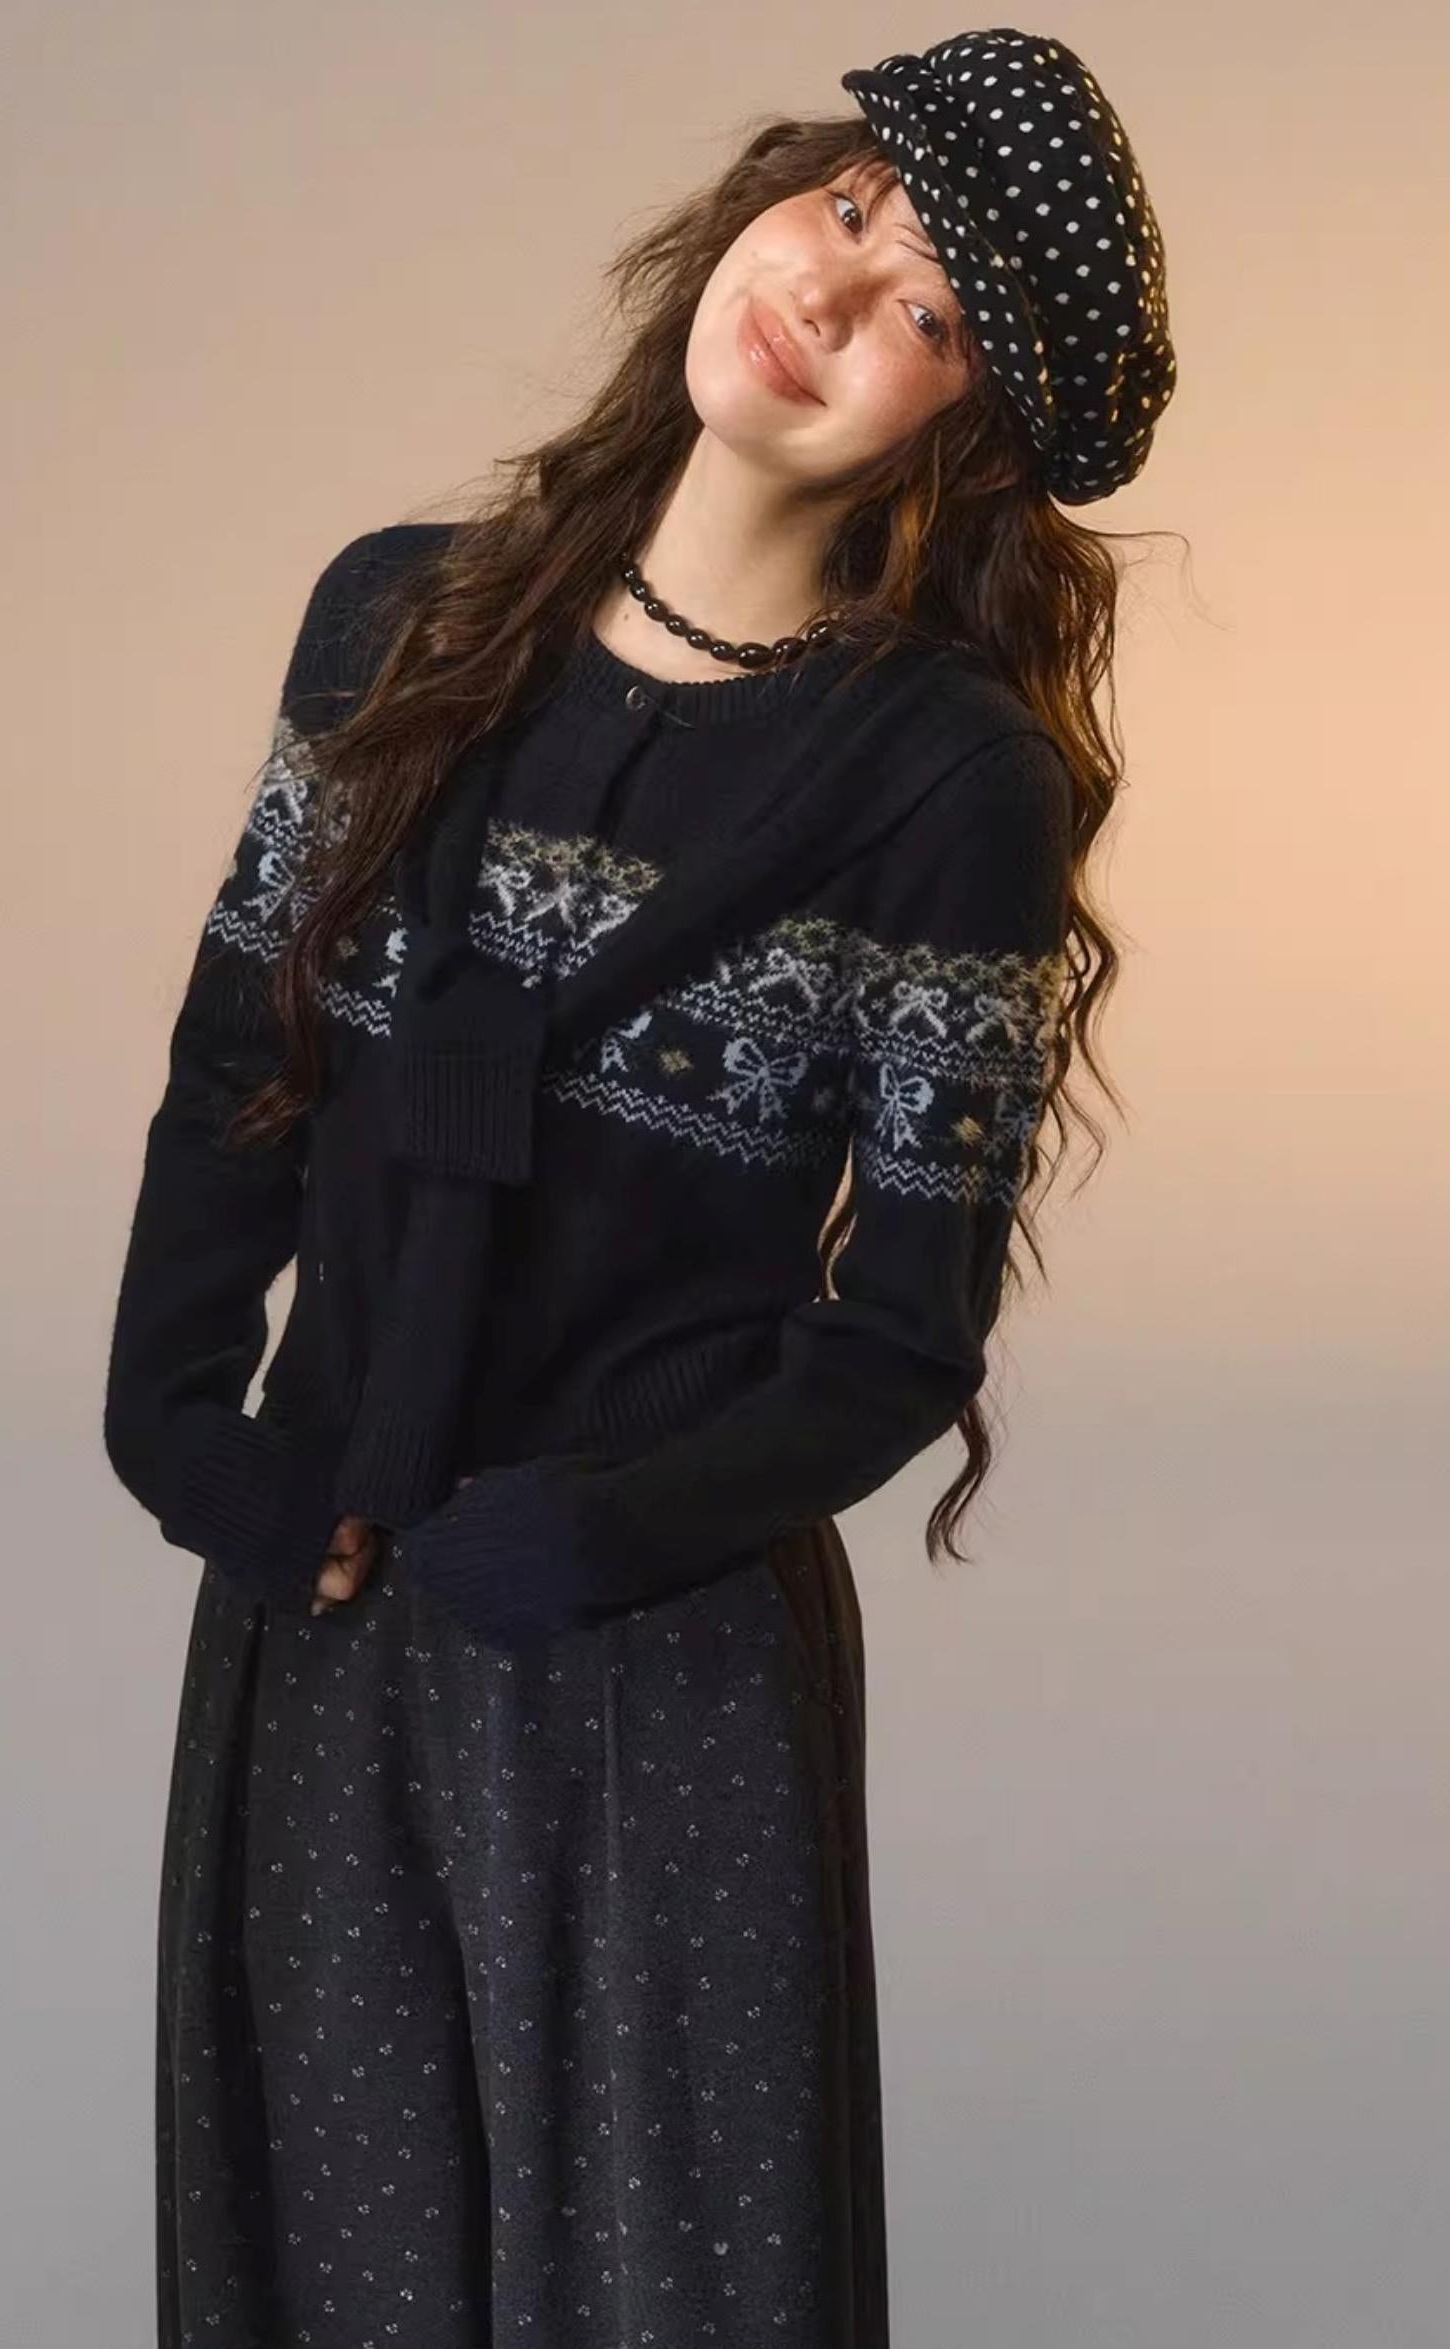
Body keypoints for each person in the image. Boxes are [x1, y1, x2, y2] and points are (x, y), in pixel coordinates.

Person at [104, 28, 1176, 2348]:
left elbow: (899, 1334)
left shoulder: (946, 785)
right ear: (770, 191)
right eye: (855, 207)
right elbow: (237, 1073)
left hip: (658, 1652)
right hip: (326, 1602)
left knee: (668, 2294)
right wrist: (181, 1425)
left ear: (967, 427)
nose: (838, 289)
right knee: (331, 2282)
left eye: (931, 310)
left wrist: (597, 1532)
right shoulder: (395, 621)